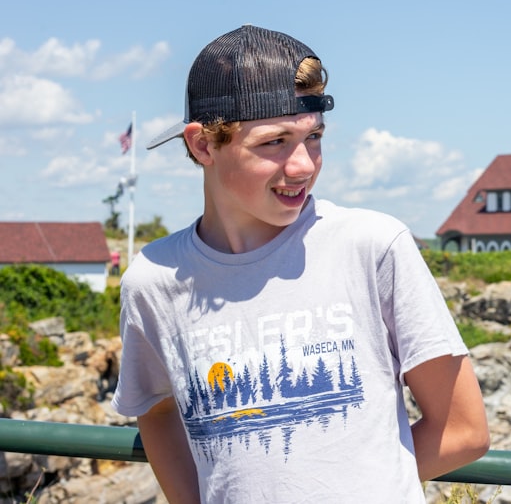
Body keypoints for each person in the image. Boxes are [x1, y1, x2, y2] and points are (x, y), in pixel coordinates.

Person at [111, 25, 490, 502]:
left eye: (314, 137)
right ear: (203, 145)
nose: (304, 165)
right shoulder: (152, 281)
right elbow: (159, 412)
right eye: (275, 142)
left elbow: (464, 430)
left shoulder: (372, 245)